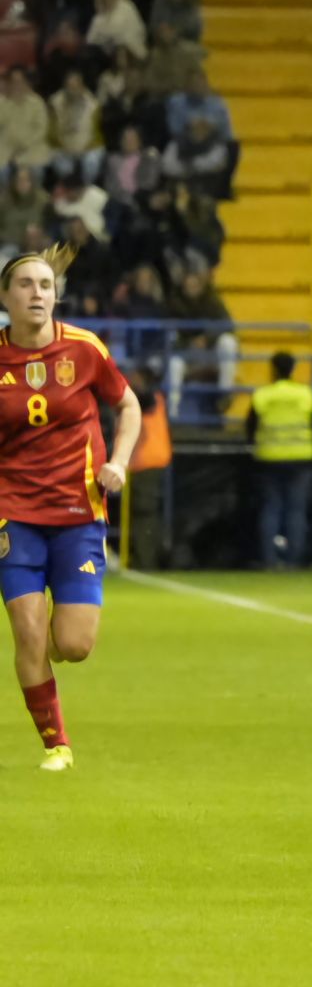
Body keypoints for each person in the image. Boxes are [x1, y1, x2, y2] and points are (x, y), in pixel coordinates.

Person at [0, 245, 142, 771]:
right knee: (28, 632)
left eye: (45, 285)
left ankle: (58, 646)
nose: (37, 293)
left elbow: (128, 405)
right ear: (5, 297)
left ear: (56, 295)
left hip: (78, 513)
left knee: (73, 645)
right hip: (12, 512)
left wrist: (121, 462)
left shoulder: (84, 349)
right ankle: (57, 745)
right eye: (25, 284)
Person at [245, 350, 312, 570]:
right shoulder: (305, 394)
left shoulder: (263, 395)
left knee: (271, 508)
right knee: (296, 510)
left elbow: (250, 427)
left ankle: (269, 559)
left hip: (269, 457)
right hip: (301, 457)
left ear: (272, 369)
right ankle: (295, 560)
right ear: (293, 368)